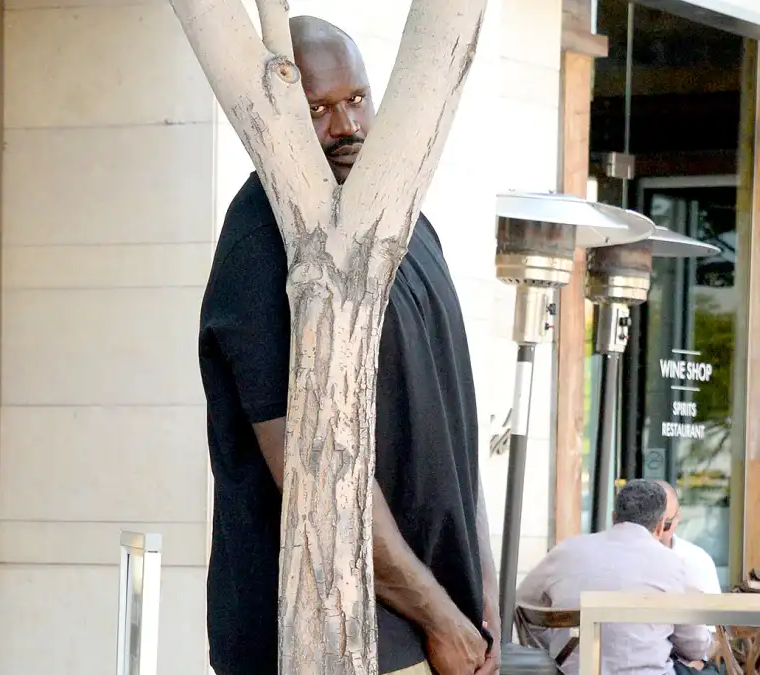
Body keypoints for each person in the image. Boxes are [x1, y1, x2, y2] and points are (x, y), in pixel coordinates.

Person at [198, 16, 498, 675]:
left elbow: (455, 434)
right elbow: (313, 466)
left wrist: (482, 593)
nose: (346, 128)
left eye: (356, 99)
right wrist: (438, 614)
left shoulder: (408, 225)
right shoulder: (262, 245)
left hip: (441, 629)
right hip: (340, 640)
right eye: (318, 110)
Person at [517, 480, 713, 675]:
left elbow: (523, 604)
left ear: (613, 517)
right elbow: (695, 646)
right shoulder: (673, 564)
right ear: (661, 525)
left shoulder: (566, 551)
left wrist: (556, 650)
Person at [654, 481, 721, 596]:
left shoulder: (697, 560)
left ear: (678, 516)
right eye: (649, 524)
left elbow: (715, 610)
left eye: (666, 525)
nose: (657, 532)